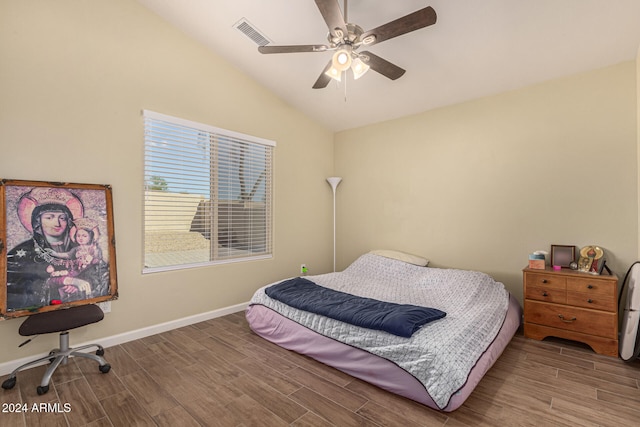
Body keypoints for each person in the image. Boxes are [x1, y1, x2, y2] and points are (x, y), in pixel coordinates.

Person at [6, 187, 101, 310]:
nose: (57, 223)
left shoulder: (79, 247)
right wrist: (64, 281)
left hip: (77, 310)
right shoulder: (24, 250)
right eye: (49, 218)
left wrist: (79, 282)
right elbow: (16, 284)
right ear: (37, 222)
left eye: (62, 218)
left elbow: (97, 272)